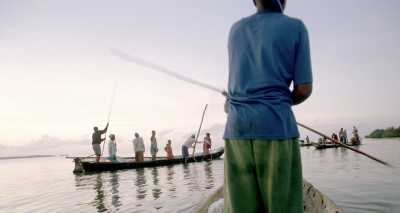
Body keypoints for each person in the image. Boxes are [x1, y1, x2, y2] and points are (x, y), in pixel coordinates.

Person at [223, 0, 313, 212]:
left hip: (236, 131)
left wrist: (235, 103)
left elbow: (232, 96)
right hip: (276, 128)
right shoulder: (296, 27)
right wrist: (275, 103)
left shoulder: (235, 30)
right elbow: (304, 89)